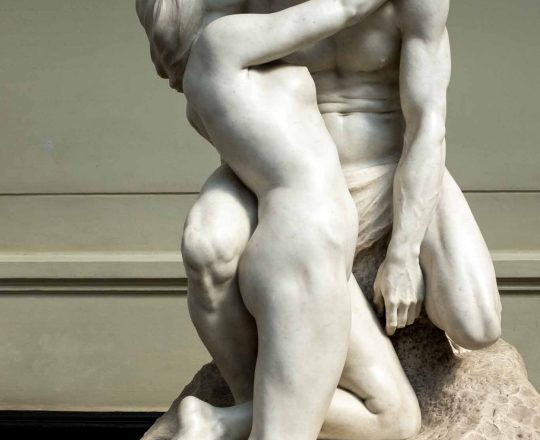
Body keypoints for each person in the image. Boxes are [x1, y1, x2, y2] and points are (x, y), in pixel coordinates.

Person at [137, 0, 502, 439]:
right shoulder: (239, 20)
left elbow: (427, 126)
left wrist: (403, 253)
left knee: (477, 324)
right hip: (304, 188)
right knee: (207, 246)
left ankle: (243, 416)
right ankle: (265, 405)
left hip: (389, 165)